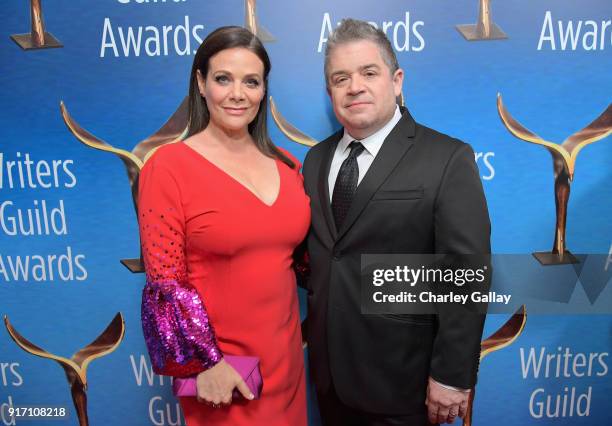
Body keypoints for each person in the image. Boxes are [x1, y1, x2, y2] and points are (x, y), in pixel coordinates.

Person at [299, 19, 491, 425]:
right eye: (340, 78)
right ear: (329, 91)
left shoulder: (447, 158)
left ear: (397, 80)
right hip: (329, 382)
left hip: (406, 386)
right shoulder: (315, 160)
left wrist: (452, 376)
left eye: (369, 72)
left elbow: (466, 274)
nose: (355, 86)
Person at [138, 26, 309, 425]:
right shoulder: (168, 167)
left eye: (251, 81)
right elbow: (165, 283)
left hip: (288, 364)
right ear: (200, 83)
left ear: (264, 90)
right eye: (222, 79)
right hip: (223, 372)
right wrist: (204, 365)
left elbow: (304, 264)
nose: (237, 93)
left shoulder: (288, 165)